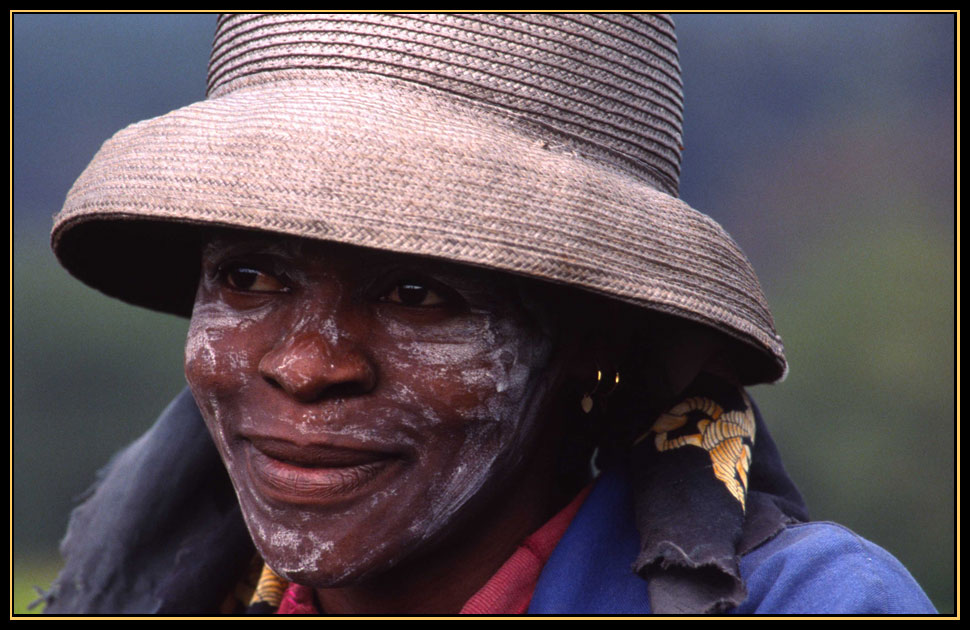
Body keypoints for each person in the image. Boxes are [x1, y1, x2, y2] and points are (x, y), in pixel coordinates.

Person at [42, 14, 935, 615]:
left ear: (594, 342)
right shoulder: (155, 588)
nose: (307, 367)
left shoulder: (809, 603)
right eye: (246, 277)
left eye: (417, 293)